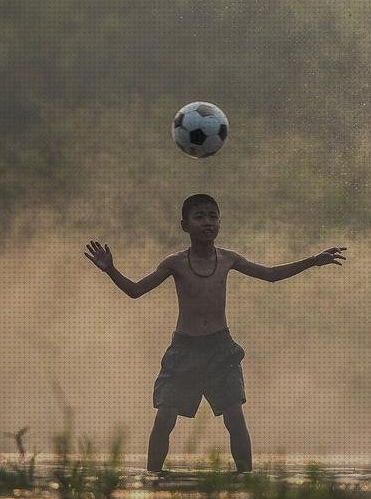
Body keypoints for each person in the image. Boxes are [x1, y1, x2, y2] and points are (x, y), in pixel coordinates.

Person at [85, 193, 346, 472]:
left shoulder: (228, 259)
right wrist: (110, 269)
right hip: (184, 350)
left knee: (235, 417)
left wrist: (312, 261)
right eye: (199, 217)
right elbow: (136, 291)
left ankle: (246, 478)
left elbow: (270, 274)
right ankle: (154, 477)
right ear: (185, 225)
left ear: (219, 222)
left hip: (220, 350)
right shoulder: (174, 263)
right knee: (165, 417)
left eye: (212, 216)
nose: (207, 222)